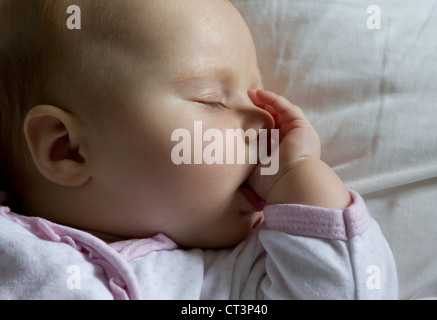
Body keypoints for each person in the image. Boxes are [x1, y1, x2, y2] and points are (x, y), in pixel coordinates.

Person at [0, 0, 397, 299]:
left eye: (256, 93)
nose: (265, 120)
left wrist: (301, 177)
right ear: (67, 149)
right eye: (212, 99)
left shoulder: (234, 278)